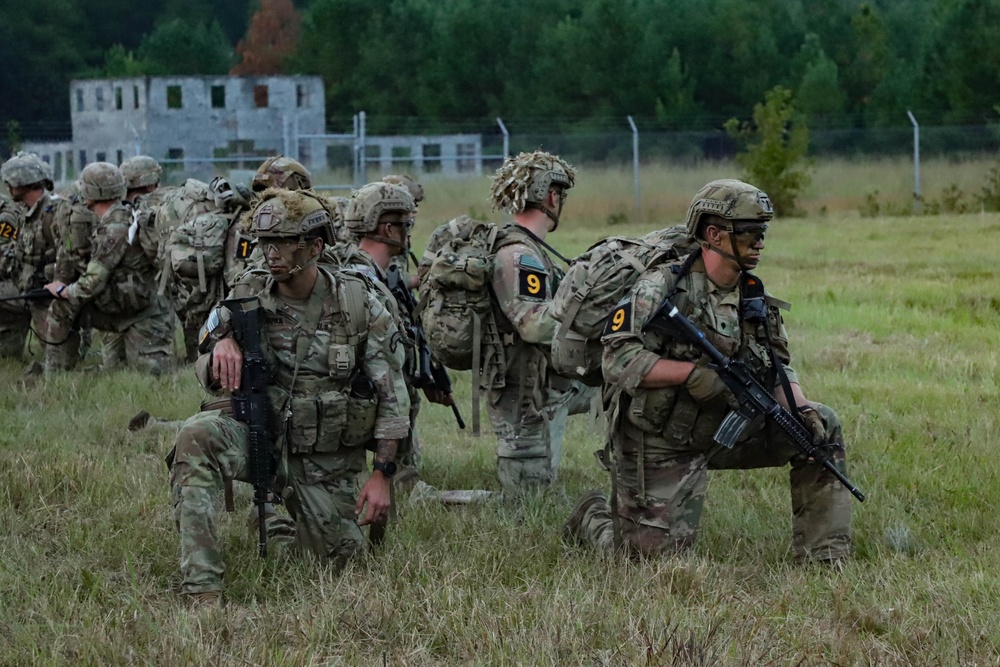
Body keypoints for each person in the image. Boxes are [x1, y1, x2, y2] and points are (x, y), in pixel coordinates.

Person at [564, 179, 852, 564]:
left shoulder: (753, 296)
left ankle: (824, 559)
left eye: (763, 232)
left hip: (722, 425)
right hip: (660, 437)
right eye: (750, 232)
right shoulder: (662, 286)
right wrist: (688, 375)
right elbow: (616, 359)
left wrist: (801, 409)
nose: (760, 241)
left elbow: (777, 367)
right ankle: (592, 516)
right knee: (646, 566)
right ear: (713, 234)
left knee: (820, 427)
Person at [168, 188, 410, 606]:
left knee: (339, 569)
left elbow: (393, 398)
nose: (270, 253)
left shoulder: (357, 305)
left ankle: (274, 521)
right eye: (265, 243)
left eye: (282, 242)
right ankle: (203, 591)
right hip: (259, 436)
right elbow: (203, 365)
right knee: (195, 435)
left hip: (325, 458)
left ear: (314, 246)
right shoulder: (245, 293)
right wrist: (221, 346)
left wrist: (382, 476)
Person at [486, 151, 594, 493]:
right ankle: (431, 502)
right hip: (523, 397)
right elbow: (534, 326)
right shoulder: (520, 256)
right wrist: (590, 316)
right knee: (526, 503)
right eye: (561, 195)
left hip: (545, 384)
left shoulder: (532, 250)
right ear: (551, 195)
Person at [340, 182, 455, 492]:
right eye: (406, 225)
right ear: (388, 229)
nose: (409, 232)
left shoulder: (383, 276)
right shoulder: (360, 281)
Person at [43, 162, 174, 375]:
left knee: (151, 377)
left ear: (91, 193)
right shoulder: (115, 217)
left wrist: (63, 290)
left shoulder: (116, 226)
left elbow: (93, 280)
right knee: (62, 308)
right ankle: (58, 377)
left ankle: (64, 376)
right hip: (121, 304)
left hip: (143, 313)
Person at [103, 155, 169, 368]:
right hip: (149, 302)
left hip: (111, 301)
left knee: (113, 370)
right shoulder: (155, 213)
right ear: (151, 185)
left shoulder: (109, 213)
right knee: (155, 376)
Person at [0, 152, 61, 359]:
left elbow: (68, 257)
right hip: (29, 289)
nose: (8, 187)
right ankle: (8, 347)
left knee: (59, 363)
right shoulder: (29, 213)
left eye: (11, 182)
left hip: (46, 296)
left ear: (22, 181)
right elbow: (19, 253)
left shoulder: (51, 213)